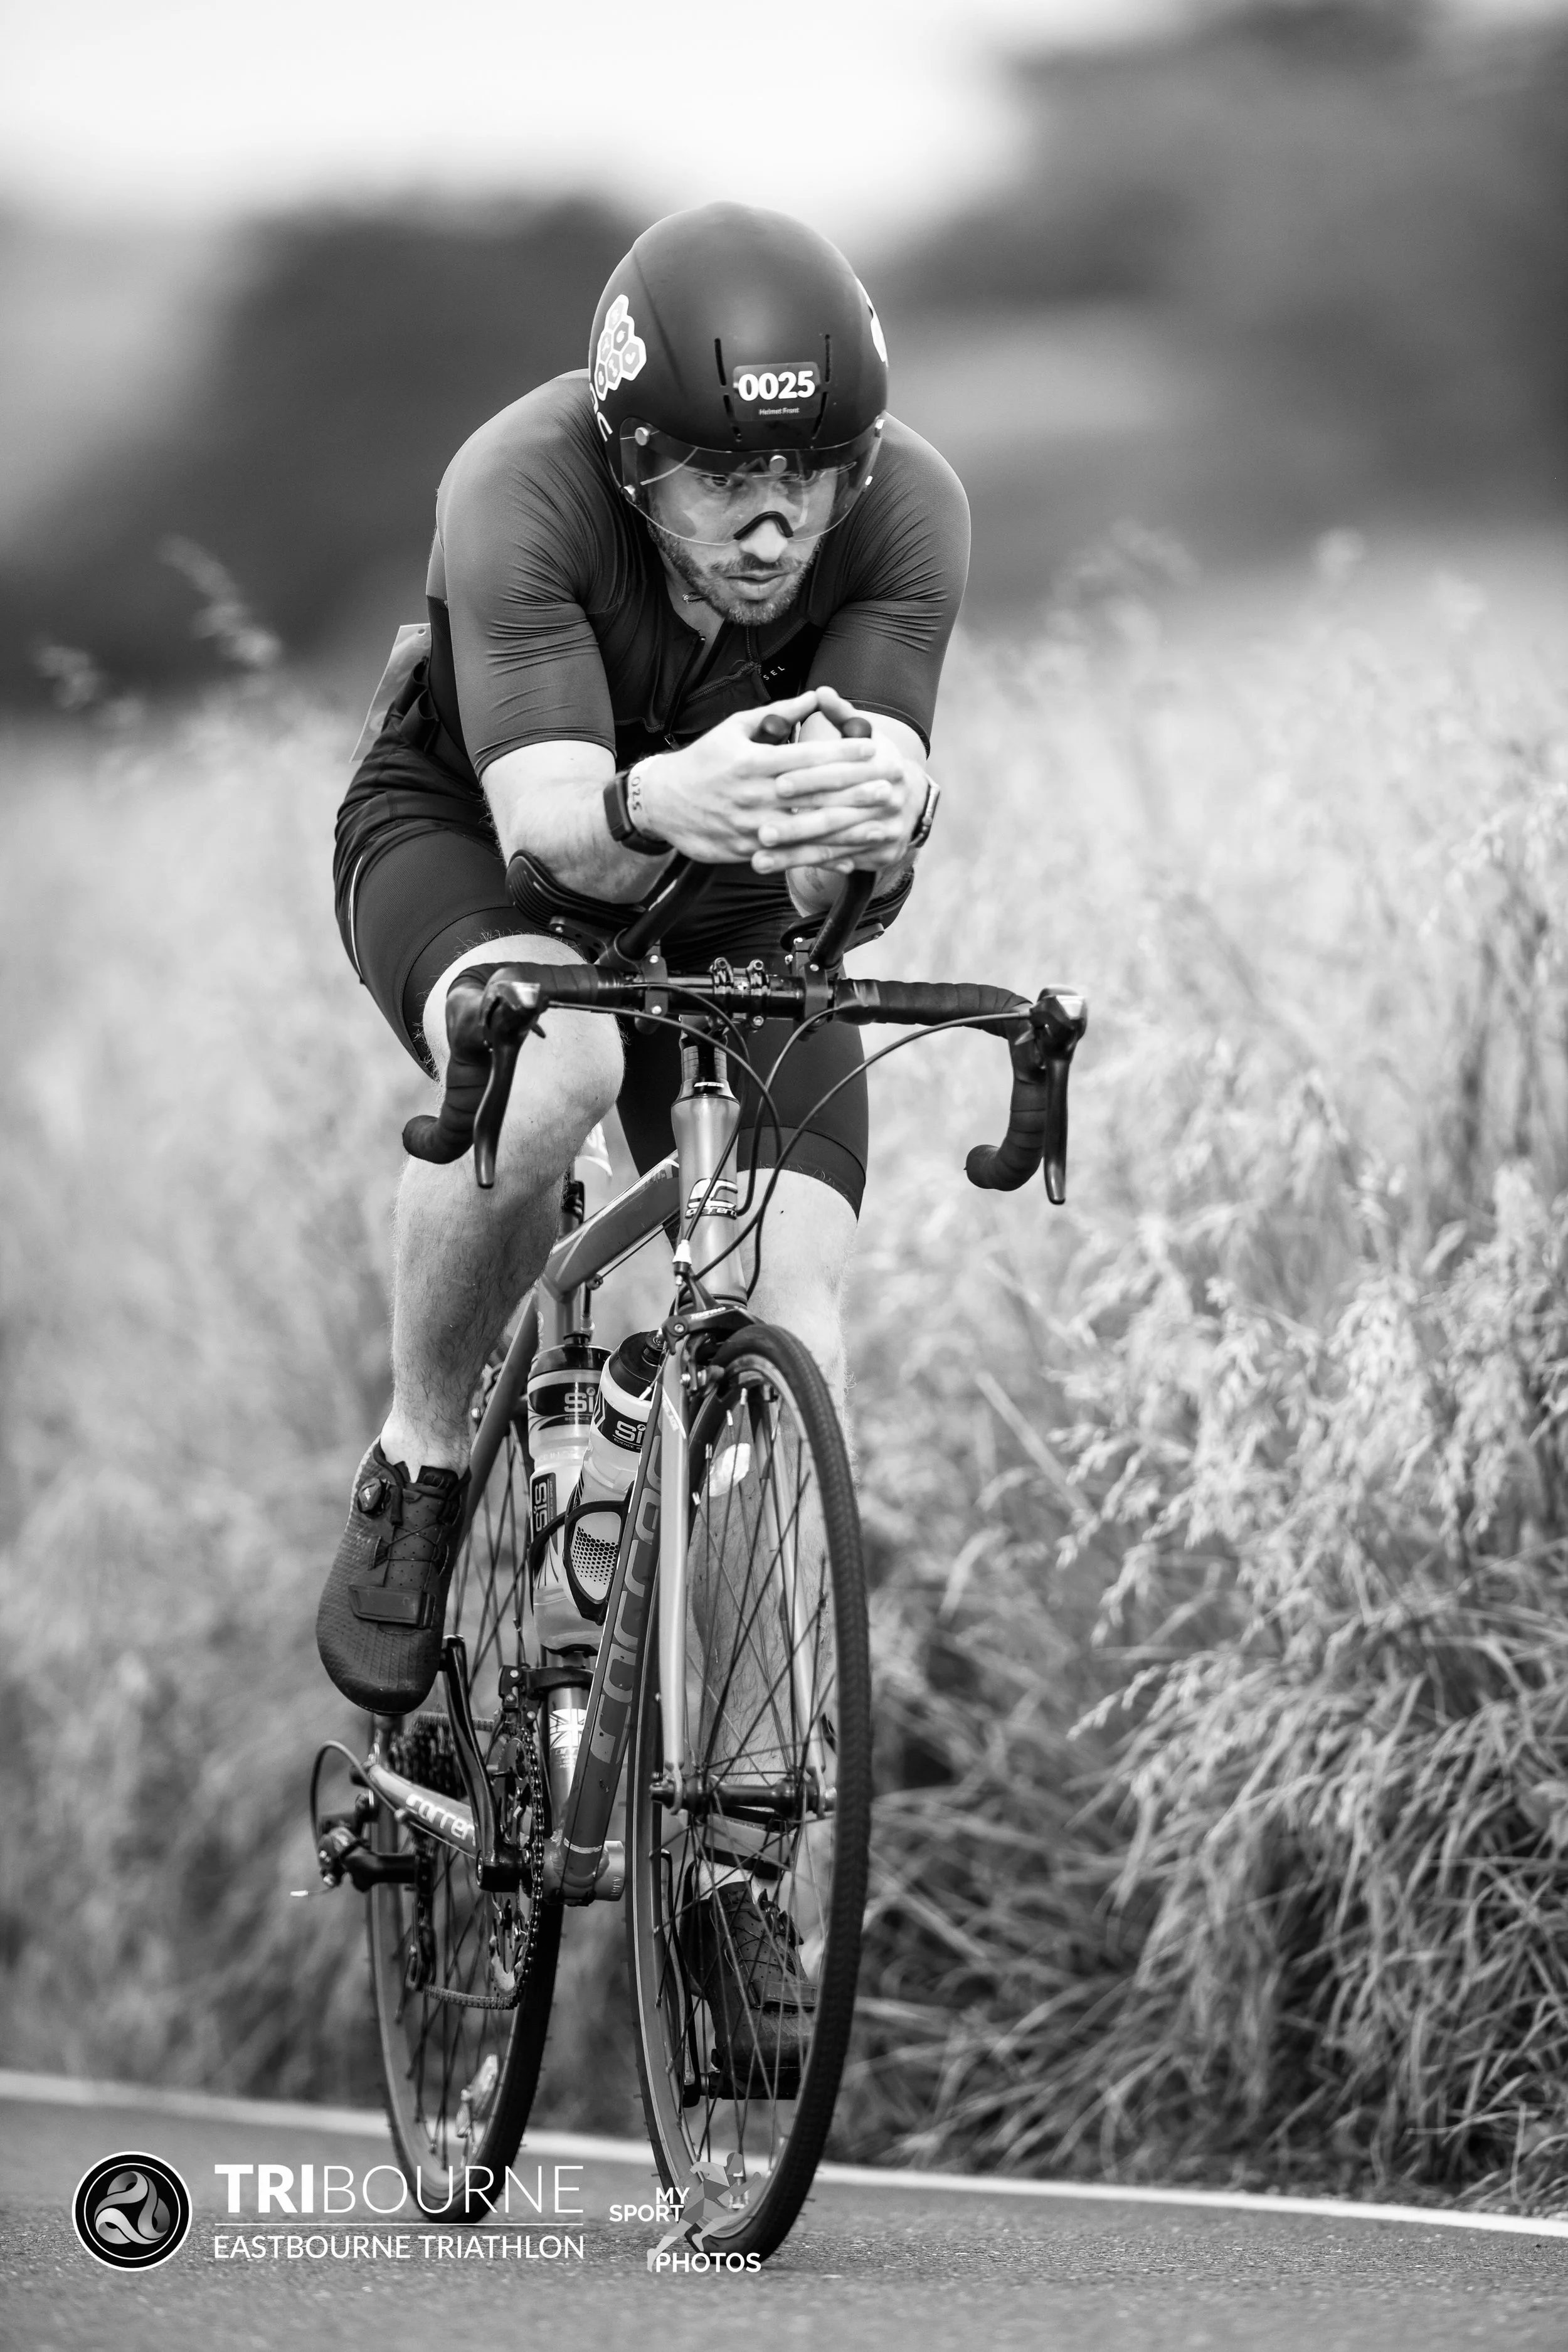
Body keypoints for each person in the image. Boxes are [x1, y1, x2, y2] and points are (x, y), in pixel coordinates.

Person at [314, 201, 967, 2042]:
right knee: (570, 1064)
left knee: (787, 1312)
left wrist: (877, 817)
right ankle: (421, 1457)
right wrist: (671, 794)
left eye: (810, 474)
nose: (777, 522)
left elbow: (868, 821)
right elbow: (553, 826)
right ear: (629, 456)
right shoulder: (517, 483)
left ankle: (738, 1870)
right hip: (481, 833)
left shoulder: (911, 507)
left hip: (734, 872)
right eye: (726, 478)